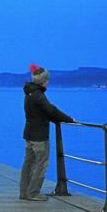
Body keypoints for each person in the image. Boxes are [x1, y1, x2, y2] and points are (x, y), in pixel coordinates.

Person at [19, 64, 74, 202]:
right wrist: (69, 119)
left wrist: (54, 118)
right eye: (47, 79)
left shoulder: (29, 92)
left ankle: (24, 192)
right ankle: (33, 193)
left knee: (28, 163)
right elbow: (51, 110)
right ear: (43, 81)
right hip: (39, 136)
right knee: (41, 164)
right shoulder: (38, 95)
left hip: (29, 134)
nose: (48, 81)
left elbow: (43, 112)